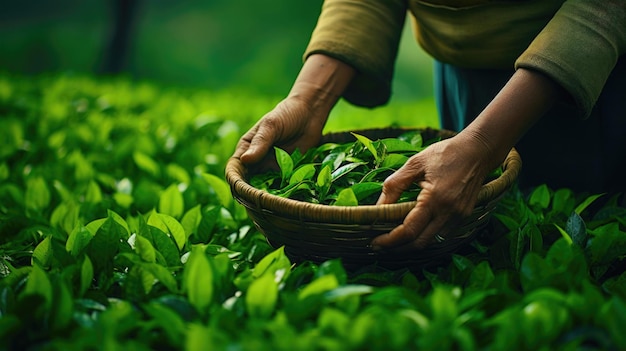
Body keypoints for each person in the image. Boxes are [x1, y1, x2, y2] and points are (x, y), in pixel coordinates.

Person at [232, 0, 626, 253]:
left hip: (591, 76)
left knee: (588, 237)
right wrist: (308, 100)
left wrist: (485, 140)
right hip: (463, 79)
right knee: (484, 230)